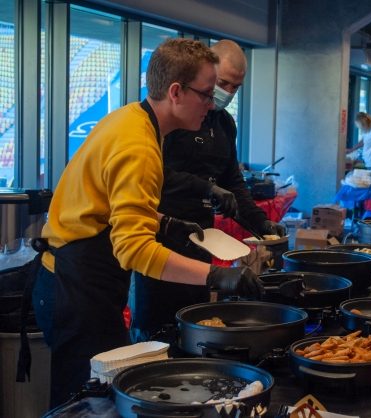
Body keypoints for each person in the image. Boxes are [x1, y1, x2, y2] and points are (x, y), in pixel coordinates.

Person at [30, 39, 263, 407]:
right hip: (74, 286)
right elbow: (134, 250)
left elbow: (111, 203)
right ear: (175, 92)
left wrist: (165, 223)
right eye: (206, 93)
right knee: (84, 405)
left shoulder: (133, 119)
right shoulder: (139, 145)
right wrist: (215, 275)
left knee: (98, 398)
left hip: (81, 279)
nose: (211, 104)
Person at [129, 39, 284, 342]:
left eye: (235, 87)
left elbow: (233, 183)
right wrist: (206, 187)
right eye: (221, 83)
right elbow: (155, 173)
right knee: (157, 330)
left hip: (203, 238)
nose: (225, 93)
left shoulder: (223, 123)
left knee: (196, 322)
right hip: (160, 235)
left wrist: (260, 223)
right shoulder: (162, 120)